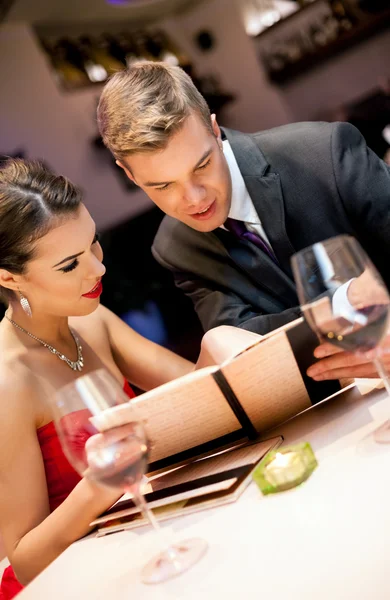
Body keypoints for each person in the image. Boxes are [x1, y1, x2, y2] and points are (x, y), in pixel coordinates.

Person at [0, 159, 247, 598]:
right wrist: (100, 483)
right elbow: (25, 557)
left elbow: (196, 397)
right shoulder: (8, 381)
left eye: (94, 245)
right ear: (9, 277)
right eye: (69, 265)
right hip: (74, 577)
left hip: (142, 536)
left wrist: (220, 346)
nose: (98, 270)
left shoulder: (92, 324)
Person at [96, 61, 390, 381]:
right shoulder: (175, 247)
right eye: (163, 186)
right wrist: (345, 301)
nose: (194, 199)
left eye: (202, 165)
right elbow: (241, 347)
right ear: (129, 174)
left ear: (214, 129)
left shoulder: (324, 153)